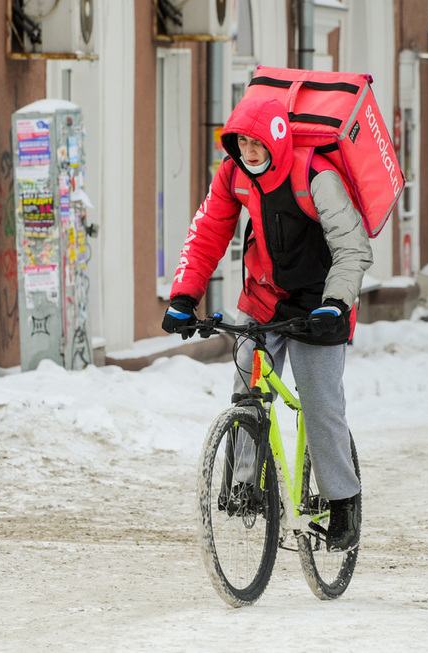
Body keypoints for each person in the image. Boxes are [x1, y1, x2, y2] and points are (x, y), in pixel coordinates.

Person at [161, 95, 373, 552]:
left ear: (277, 139)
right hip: (264, 297)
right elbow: (208, 232)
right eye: (241, 142)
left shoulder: (316, 176)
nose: (249, 151)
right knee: (246, 386)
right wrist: (183, 296)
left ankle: (343, 502)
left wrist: (336, 303)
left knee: (319, 401)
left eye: (257, 143)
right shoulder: (233, 174)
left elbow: (352, 247)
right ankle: (244, 486)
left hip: (320, 303)